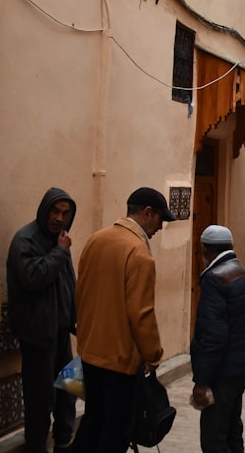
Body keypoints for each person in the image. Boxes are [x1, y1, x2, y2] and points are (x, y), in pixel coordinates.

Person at [71, 187, 172, 452]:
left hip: (90, 354)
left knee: (93, 422)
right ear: (147, 213)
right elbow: (141, 313)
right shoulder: (140, 254)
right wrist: (153, 354)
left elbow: (81, 294)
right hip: (120, 362)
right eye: (160, 220)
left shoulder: (96, 239)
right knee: (116, 431)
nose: (160, 228)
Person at [6, 187, 78, 453]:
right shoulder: (26, 240)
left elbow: (68, 283)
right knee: (40, 399)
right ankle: (37, 447)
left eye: (65, 213)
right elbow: (33, 278)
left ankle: (64, 442)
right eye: (55, 211)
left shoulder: (59, 240)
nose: (59, 218)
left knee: (69, 390)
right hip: (37, 335)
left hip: (61, 332)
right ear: (44, 210)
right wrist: (60, 252)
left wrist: (76, 318)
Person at [190, 225, 245, 453]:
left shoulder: (214, 278)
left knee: (214, 438)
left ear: (206, 250)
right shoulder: (243, 273)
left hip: (222, 372)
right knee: (232, 430)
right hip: (240, 367)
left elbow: (213, 336)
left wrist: (202, 380)